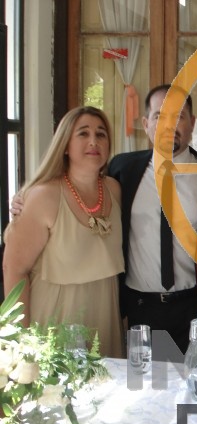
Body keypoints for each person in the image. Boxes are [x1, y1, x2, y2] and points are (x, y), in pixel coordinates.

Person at [3, 106, 124, 358]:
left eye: (101, 134)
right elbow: (14, 268)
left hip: (105, 319)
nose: (94, 141)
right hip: (56, 321)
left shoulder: (113, 190)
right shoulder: (43, 196)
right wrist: (22, 340)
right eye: (83, 133)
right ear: (65, 145)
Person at [108, 85, 197, 353]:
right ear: (146, 124)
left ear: (192, 123)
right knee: (142, 380)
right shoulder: (122, 169)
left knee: (195, 380)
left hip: (193, 308)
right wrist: (26, 199)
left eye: (179, 116)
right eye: (159, 116)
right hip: (140, 310)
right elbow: (82, 191)